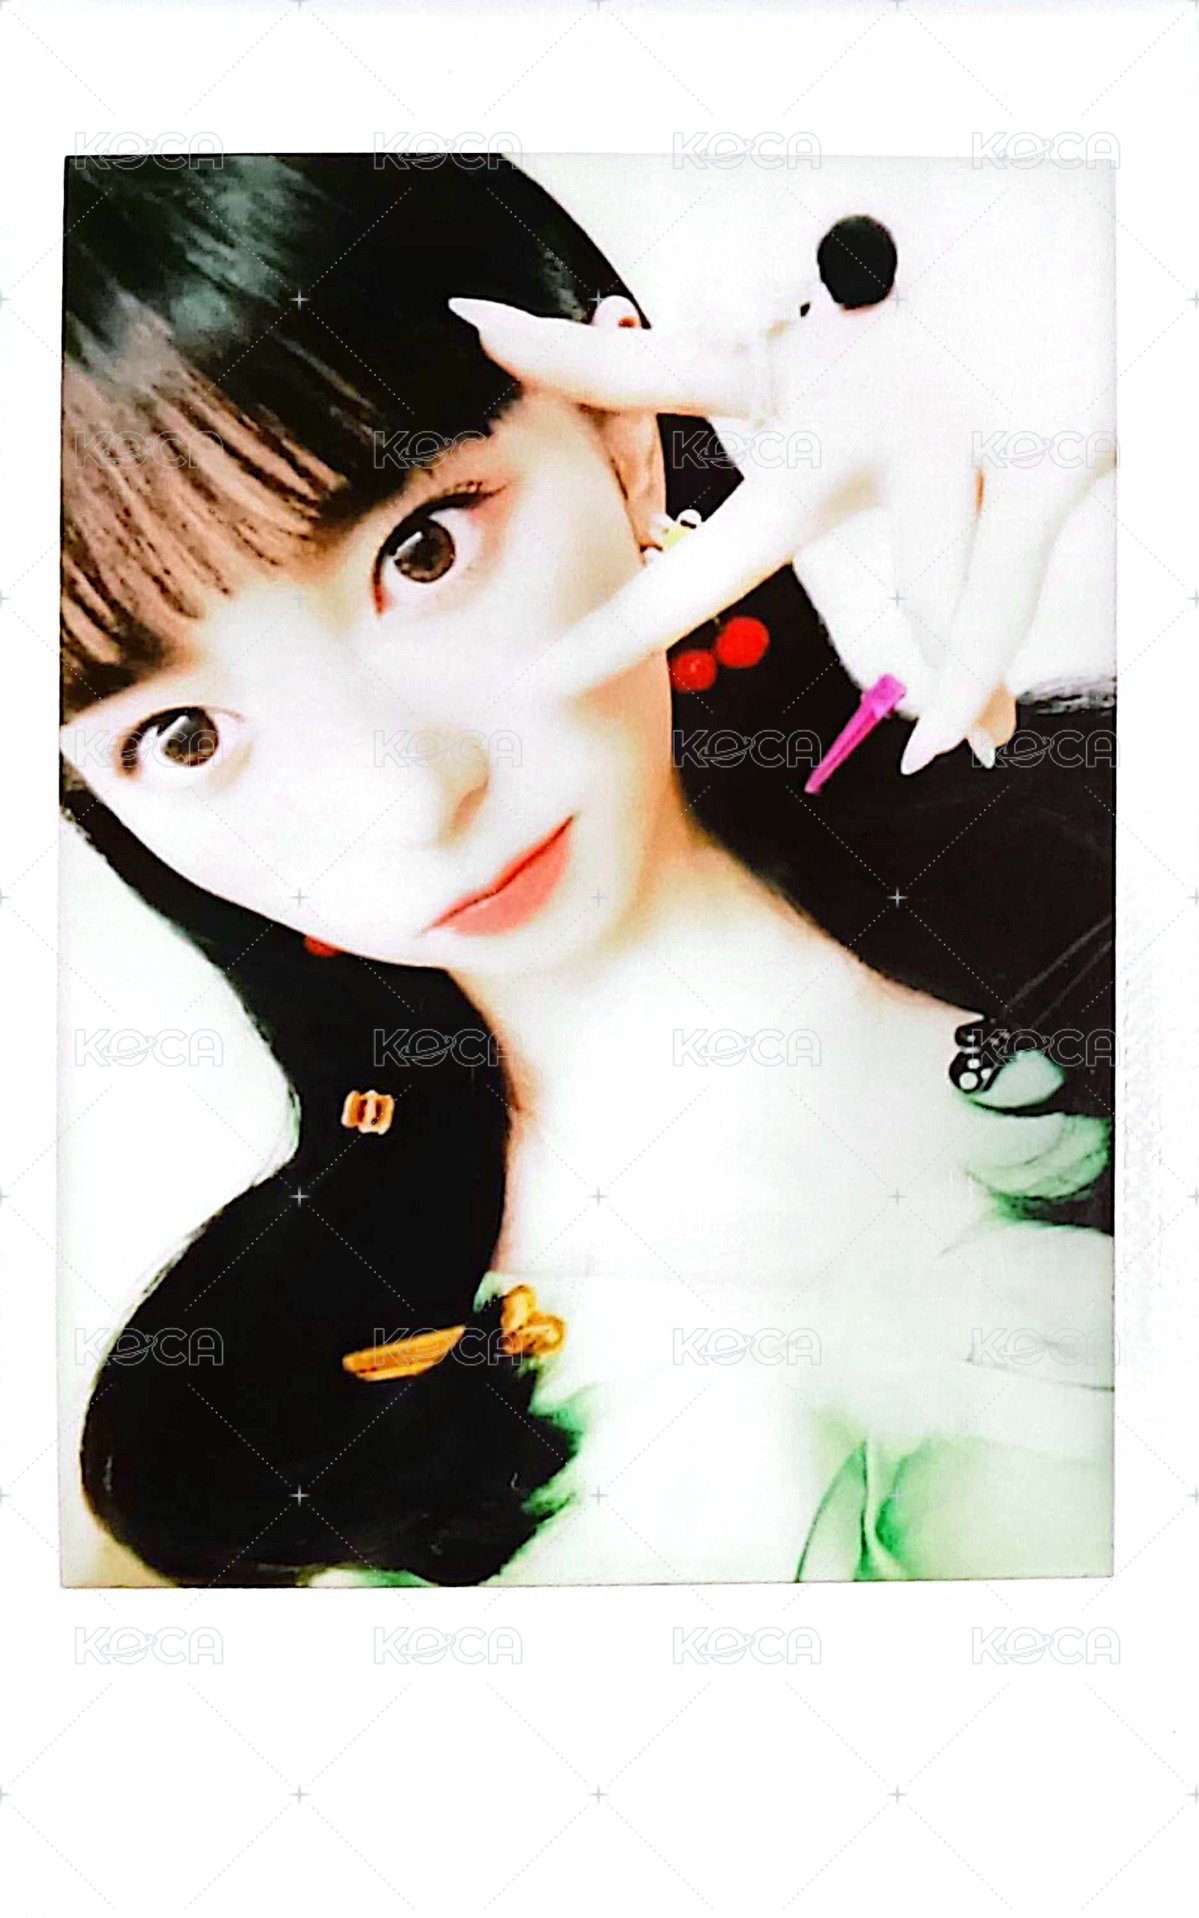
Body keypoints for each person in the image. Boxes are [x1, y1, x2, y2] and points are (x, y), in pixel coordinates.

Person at [61, 154, 1112, 1586]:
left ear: (625, 442)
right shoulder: (250, 1434)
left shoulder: (1128, 894)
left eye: (423, 550)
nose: (407, 796)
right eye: (182, 737)